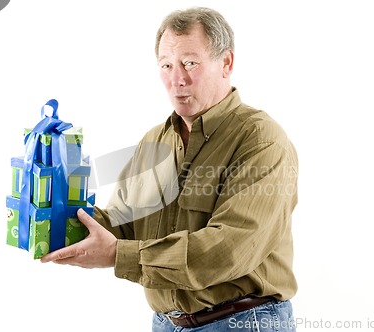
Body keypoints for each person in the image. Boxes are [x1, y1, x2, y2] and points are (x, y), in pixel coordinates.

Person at [42, 7, 299, 331]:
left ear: (226, 63)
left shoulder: (260, 140)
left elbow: (227, 250)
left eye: (190, 63)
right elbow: (121, 225)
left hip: (241, 321)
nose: (177, 79)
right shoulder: (155, 141)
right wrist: (52, 217)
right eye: (166, 65)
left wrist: (119, 256)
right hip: (167, 323)